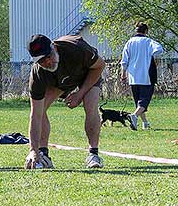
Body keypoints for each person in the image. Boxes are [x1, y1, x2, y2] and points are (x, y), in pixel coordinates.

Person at [25, 34, 106, 169]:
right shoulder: (38, 74)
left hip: (88, 73)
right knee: (41, 109)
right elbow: (35, 115)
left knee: (90, 104)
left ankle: (93, 154)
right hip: (61, 82)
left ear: (54, 47)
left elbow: (100, 66)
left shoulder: (76, 48)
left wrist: (80, 94)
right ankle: (43, 154)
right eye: (41, 61)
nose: (47, 62)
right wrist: (33, 150)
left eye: (48, 56)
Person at [121, 22, 163, 130]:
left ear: (136, 31)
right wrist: (154, 57)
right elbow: (159, 49)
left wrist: (123, 74)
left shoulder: (129, 42)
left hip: (133, 76)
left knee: (138, 102)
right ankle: (133, 116)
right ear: (146, 31)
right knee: (144, 101)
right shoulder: (149, 42)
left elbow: (124, 61)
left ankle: (145, 123)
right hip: (146, 76)